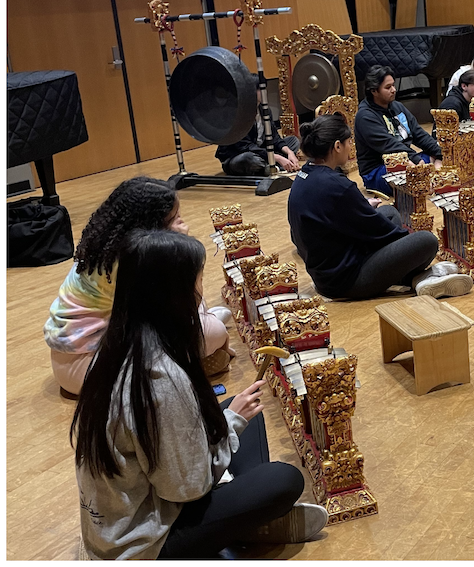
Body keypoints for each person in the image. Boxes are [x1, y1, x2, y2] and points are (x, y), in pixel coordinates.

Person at [72, 229, 327, 559]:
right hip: (143, 545)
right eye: (197, 284)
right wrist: (230, 424)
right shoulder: (161, 377)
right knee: (282, 479)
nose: (201, 295)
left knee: (239, 412)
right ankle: (247, 525)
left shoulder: (117, 343)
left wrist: (226, 420)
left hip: (124, 518)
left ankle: (241, 519)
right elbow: (186, 489)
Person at [45, 177, 235, 397]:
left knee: (199, 312)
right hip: (92, 371)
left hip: (68, 359)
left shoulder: (104, 245)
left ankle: (203, 334)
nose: (182, 224)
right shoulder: (138, 260)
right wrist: (180, 248)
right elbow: (174, 316)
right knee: (214, 330)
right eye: (175, 219)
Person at [288, 114, 472, 300]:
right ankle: (416, 278)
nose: (351, 147)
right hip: (343, 282)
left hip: (326, 269)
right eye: (348, 142)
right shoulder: (337, 187)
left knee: (389, 213)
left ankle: (415, 277)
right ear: (337, 146)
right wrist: (408, 248)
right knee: (426, 241)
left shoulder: (305, 174)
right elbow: (380, 231)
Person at [355, 65, 444, 196]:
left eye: (393, 85)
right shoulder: (365, 116)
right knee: (410, 170)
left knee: (439, 153)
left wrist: (441, 153)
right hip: (378, 170)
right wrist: (416, 162)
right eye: (388, 87)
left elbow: (419, 134)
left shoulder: (397, 106)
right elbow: (390, 145)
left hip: (408, 158)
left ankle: (429, 180)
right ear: (374, 91)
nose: (394, 90)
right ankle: (430, 181)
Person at [214, 115, 301, 176]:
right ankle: (272, 166)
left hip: (262, 152)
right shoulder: (238, 115)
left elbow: (275, 138)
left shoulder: (264, 110)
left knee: (293, 141)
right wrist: (276, 157)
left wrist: (290, 152)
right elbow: (246, 147)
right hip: (237, 156)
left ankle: (268, 167)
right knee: (248, 158)